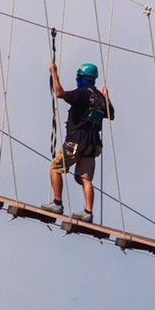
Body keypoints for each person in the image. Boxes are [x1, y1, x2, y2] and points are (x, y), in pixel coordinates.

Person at [41, 61, 114, 221]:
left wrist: (54, 73)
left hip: (76, 141)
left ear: (81, 77)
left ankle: (57, 203)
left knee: (56, 167)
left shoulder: (82, 93)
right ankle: (88, 212)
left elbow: (60, 93)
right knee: (84, 178)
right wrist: (106, 97)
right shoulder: (100, 98)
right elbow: (111, 114)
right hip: (93, 145)